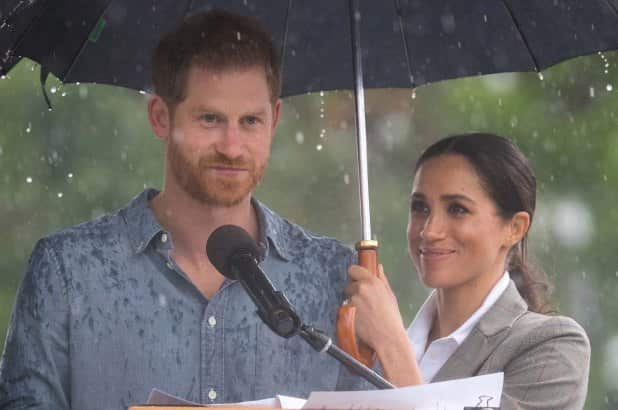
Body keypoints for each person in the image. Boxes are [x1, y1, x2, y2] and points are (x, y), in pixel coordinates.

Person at [0, 10, 364, 410]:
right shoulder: (67, 272)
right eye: (210, 119)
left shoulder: (336, 278)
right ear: (160, 116)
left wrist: (393, 348)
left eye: (250, 121)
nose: (231, 145)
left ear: (275, 120)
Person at [345, 133, 591, 409]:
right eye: (420, 207)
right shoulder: (362, 345)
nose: (429, 230)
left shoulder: (552, 347)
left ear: (515, 228)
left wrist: (391, 346)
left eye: (457, 209)